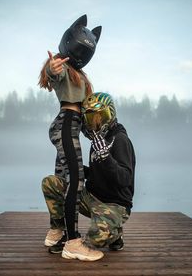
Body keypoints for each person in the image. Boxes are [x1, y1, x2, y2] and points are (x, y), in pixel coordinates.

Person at [38, 15, 103, 261]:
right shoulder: (62, 65)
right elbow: (54, 74)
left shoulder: (81, 75)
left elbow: (87, 108)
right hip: (65, 124)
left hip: (72, 125)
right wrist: (51, 67)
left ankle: (57, 232)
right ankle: (73, 242)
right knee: (76, 180)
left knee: (62, 180)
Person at [42, 92, 136, 256]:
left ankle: (115, 234)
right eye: (91, 119)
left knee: (97, 237)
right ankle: (65, 234)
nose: (96, 123)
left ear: (111, 114)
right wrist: (78, 169)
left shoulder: (120, 139)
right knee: (51, 183)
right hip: (92, 197)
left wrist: (106, 157)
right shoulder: (98, 140)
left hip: (115, 204)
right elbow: (97, 173)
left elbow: (125, 179)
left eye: (100, 117)